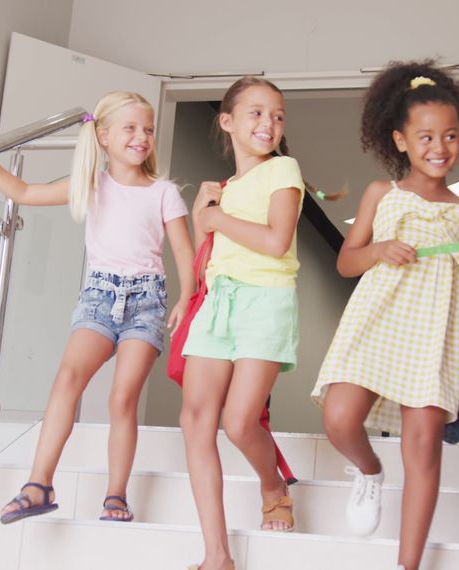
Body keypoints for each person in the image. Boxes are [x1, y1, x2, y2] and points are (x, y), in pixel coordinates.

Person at [0, 91, 195, 525]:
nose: (142, 137)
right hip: (99, 298)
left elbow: (183, 252)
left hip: (146, 303)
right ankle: (38, 484)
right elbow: (23, 192)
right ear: (102, 135)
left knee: (123, 399)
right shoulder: (91, 185)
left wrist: (185, 298)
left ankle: (115, 496)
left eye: (149, 130)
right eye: (131, 128)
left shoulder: (163, 193)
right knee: (67, 378)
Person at [311, 60, 459, 570]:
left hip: (435, 334)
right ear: (400, 140)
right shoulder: (382, 194)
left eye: (450, 136)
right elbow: (346, 262)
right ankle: (369, 471)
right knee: (338, 417)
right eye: (425, 137)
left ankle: (408, 564)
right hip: (377, 323)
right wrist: (379, 250)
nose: (439, 148)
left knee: (424, 452)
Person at [180, 77, 306, 570]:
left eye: (276, 115)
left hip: (266, 300)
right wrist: (200, 218)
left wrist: (215, 220)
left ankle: (273, 484)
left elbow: (277, 241)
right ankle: (217, 556)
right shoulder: (225, 189)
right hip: (217, 303)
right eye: (255, 113)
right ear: (227, 122)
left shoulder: (284, 169)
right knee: (195, 422)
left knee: (238, 421)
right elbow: (210, 253)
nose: (268, 124)